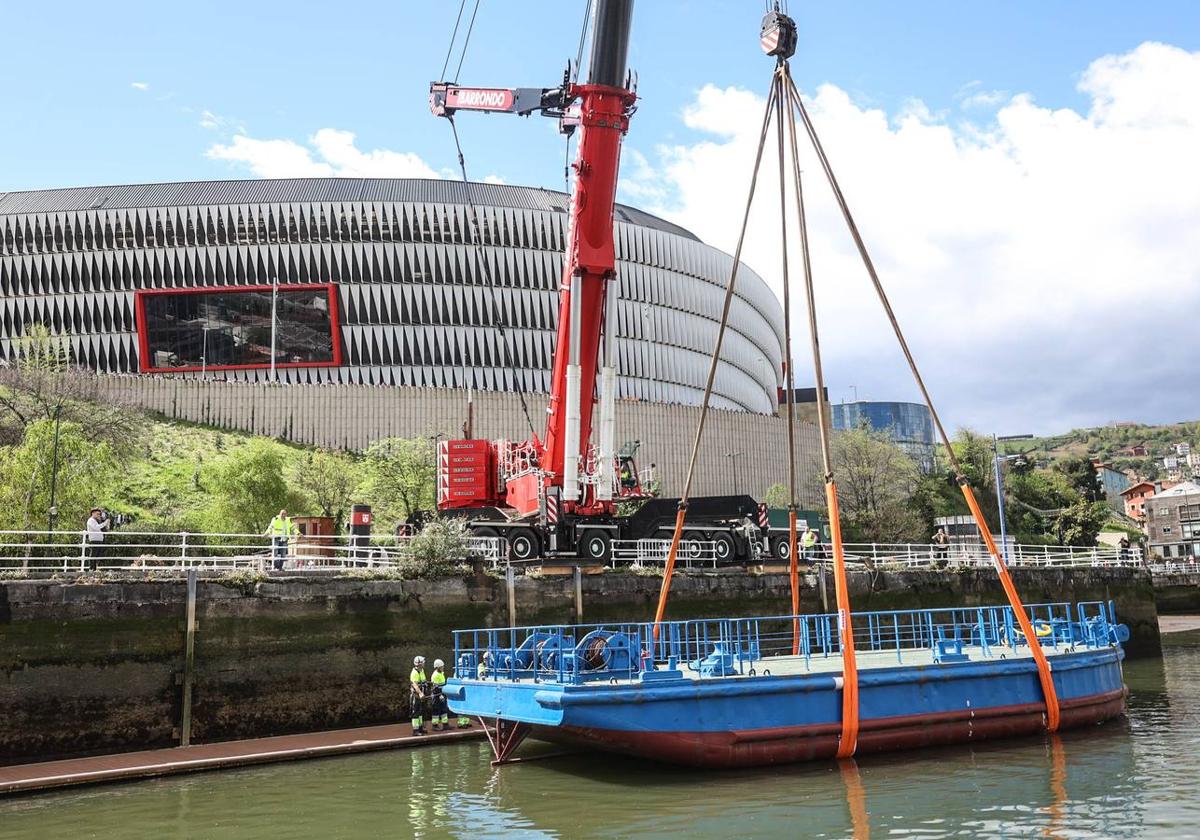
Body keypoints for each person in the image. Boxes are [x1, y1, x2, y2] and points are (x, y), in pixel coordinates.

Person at [429, 659, 451, 731]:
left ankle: (445, 724)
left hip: (442, 694)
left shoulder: (441, 673)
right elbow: (435, 687)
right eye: (441, 667)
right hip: (437, 695)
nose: (443, 668)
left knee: (443, 709)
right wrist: (439, 695)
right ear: (437, 667)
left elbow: (443, 684)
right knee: (436, 709)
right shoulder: (435, 675)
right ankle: (434, 725)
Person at [410, 655, 428, 736]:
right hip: (416, 696)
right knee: (416, 712)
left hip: (422, 695)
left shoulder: (421, 671)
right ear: (419, 664)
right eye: (423, 662)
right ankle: (415, 730)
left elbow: (423, 681)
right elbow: (415, 685)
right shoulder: (414, 673)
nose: (424, 663)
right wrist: (420, 693)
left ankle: (420, 728)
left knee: (421, 712)